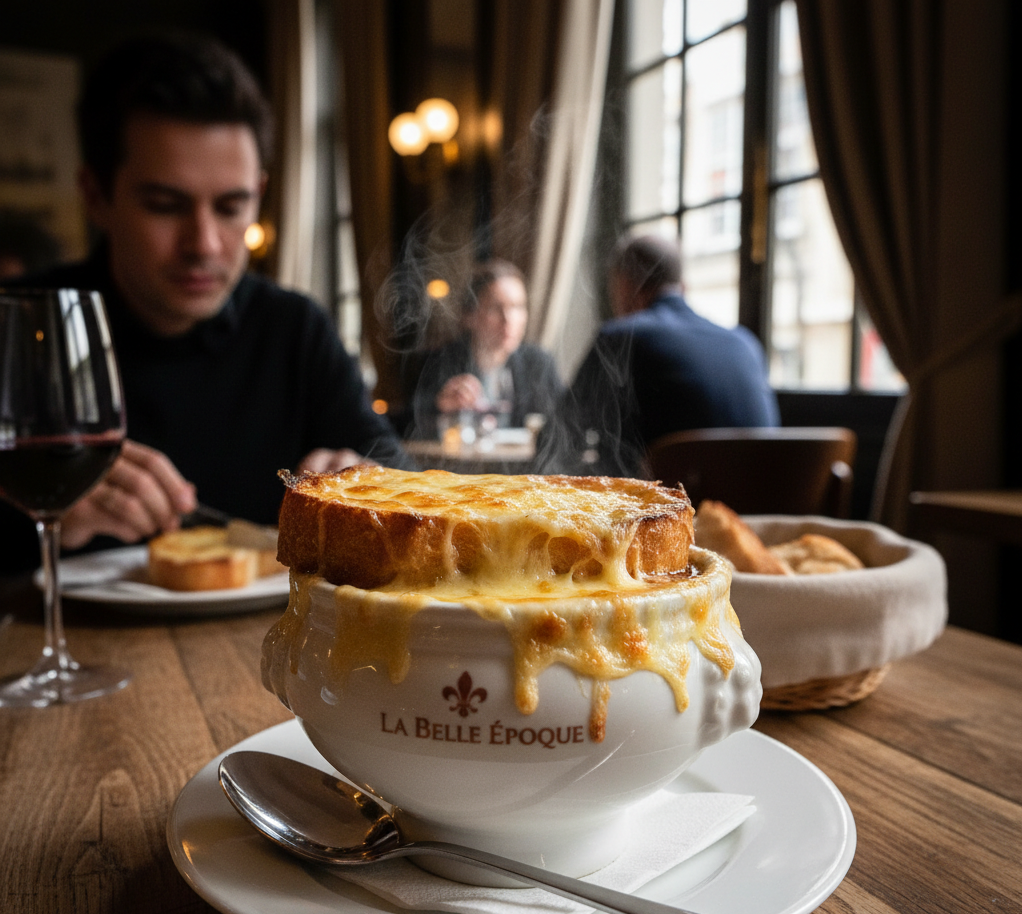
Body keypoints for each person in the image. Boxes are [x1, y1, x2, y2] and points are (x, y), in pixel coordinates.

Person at [1, 33, 409, 573]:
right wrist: (34, 512)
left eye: (230, 207)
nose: (205, 245)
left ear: (258, 194)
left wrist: (366, 478)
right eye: (165, 206)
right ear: (96, 196)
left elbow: (392, 469)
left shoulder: (294, 327)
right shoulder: (21, 326)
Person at [541, 234, 779, 476]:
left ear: (624, 285)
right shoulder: (745, 342)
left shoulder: (621, 336)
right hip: (762, 496)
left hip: (669, 497)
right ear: (683, 285)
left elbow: (558, 436)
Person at [411, 260, 563, 437]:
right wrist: (439, 405)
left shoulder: (538, 364)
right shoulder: (440, 361)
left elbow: (564, 422)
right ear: (470, 316)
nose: (508, 320)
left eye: (517, 307)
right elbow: (403, 425)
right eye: (496, 308)